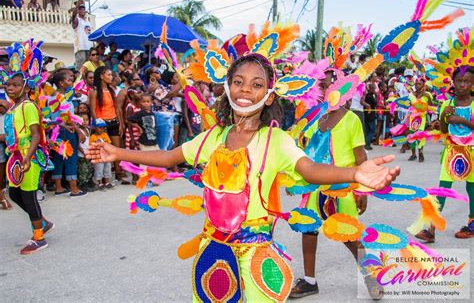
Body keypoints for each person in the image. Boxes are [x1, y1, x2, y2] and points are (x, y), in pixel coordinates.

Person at [87, 53, 399, 301]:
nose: (246, 89)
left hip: (256, 253)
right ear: (227, 87)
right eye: (238, 81)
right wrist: (119, 153)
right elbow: (170, 156)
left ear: (270, 95)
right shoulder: (213, 137)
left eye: (256, 84)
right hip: (215, 250)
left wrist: (355, 173)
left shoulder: (276, 141)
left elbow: (309, 169)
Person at [290, 72, 377, 299]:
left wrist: (362, 190)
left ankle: (370, 277)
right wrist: (295, 180)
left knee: (349, 237)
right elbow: (303, 153)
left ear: (340, 88)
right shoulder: (313, 119)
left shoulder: (351, 119)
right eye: (320, 85)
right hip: (314, 186)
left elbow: (360, 157)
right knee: (308, 230)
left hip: (341, 188)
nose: (322, 89)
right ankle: (310, 281)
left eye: (327, 85)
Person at [415, 66, 474, 242]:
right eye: (459, 81)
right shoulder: (447, 104)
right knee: (442, 189)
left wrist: (462, 120)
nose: (462, 85)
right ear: (453, 83)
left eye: (467, 81)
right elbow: (443, 129)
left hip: (472, 151)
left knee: (472, 189)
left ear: (472, 84)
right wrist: (443, 118)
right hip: (452, 151)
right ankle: (431, 229)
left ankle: (472, 225)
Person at [4, 73, 54, 254]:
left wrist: (27, 157)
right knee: (15, 194)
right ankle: (43, 222)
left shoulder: (28, 106)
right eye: (8, 85)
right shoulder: (13, 108)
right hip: (15, 156)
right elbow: (14, 134)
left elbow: (35, 134)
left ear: (26, 88)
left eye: (16, 85)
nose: (10, 88)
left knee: (28, 196)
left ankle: (39, 237)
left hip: (27, 157)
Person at [50, 69, 87, 197]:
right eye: (69, 80)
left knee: (58, 158)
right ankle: (74, 188)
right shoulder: (63, 99)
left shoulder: (52, 97)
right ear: (61, 83)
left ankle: (58, 187)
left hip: (56, 131)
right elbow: (68, 118)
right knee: (71, 157)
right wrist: (79, 131)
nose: (71, 82)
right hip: (67, 130)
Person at [89, 66, 127, 184]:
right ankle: (104, 179)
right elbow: (93, 110)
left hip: (113, 121)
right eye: (109, 75)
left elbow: (116, 108)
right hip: (102, 124)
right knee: (104, 151)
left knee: (117, 149)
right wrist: (98, 125)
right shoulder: (94, 91)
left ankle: (118, 174)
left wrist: (120, 123)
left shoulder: (111, 90)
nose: (111, 77)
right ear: (101, 76)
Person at [407, 77, 433, 162]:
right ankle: (413, 154)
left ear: (423, 85)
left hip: (421, 118)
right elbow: (408, 105)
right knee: (412, 136)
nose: (417, 85)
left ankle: (421, 153)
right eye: (416, 84)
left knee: (420, 136)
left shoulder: (427, 95)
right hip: (412, 118)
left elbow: (431, 106)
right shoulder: (411, 95)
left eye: (419, 84)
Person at [90, 119, 114, 190]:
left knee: (107, 168)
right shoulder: (92, 137)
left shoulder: (105, 135)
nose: (102, 129)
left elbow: (109, 143)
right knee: (99, 169)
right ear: (94, 128)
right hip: (98, 156)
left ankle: (107, 182)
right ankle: (100, 183)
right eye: (100, 127)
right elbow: (91, 147)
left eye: (103, 127)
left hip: (106, 156)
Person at [77, 113, 95, 192]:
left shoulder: (87, 130)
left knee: (90, 168)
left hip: (88, 153)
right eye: (82, 120)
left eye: (86, 120)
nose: (85, 122)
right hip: (81, 155)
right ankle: (82, 184)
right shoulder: (79, 131)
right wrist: (83, 152)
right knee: (83, 170)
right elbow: (77, 144)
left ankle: (89, 181)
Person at [72, 3, 93, 69]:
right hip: (80, 47)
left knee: (89, 67)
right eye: (80, 9)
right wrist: (77, 5)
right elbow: (73, 17)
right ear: (77, 11)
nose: (82, 10)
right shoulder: (77, 20)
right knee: (81, 67)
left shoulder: (88, 21)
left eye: (83, 9)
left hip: (89, 47)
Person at [0, 100, 12, 210]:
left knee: (3, 169)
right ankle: (2, 197)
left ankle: (2, 195)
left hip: (8, 145)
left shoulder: (9, 115)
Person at [364, 82, 377, 150]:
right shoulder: (370, 96)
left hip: (367, 115)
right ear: (371, 89)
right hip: (370, 115)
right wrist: (376, 96)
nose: (374, 90)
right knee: (372, 130)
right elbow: (375, 103)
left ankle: (367, 144)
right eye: (374, 89)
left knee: (367, 130)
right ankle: (366, 143)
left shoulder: (367, 95)